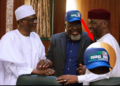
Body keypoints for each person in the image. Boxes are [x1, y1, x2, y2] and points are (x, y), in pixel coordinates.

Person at [56, 8, 120, 85]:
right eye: (89, 23)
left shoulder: (106, 42)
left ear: (104, 24)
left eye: (93, 23)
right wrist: (87, 69)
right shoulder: (103, 40)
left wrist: (77, 78)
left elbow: (104, 74)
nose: (89, 26)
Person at [0, 5, 55, 85]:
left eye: (36, 19)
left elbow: (41, 57)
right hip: (15, 82)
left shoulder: (35, 37)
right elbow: (12, 67)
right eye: (32, 20)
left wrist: (42, 64)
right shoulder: (9, 38)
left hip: (34, 80)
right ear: (21, 21)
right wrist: (39, 72)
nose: (35, 22)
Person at [38, 10, 93, 85]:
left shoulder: (90, 39)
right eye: (70, 25)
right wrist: (47, 62)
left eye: (77, 25)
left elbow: (94, 62)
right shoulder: (55, 39)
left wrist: (86, 68)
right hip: (58, 82)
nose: (75, 28)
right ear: (65, 26)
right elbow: (50, 59)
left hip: (79, 83)